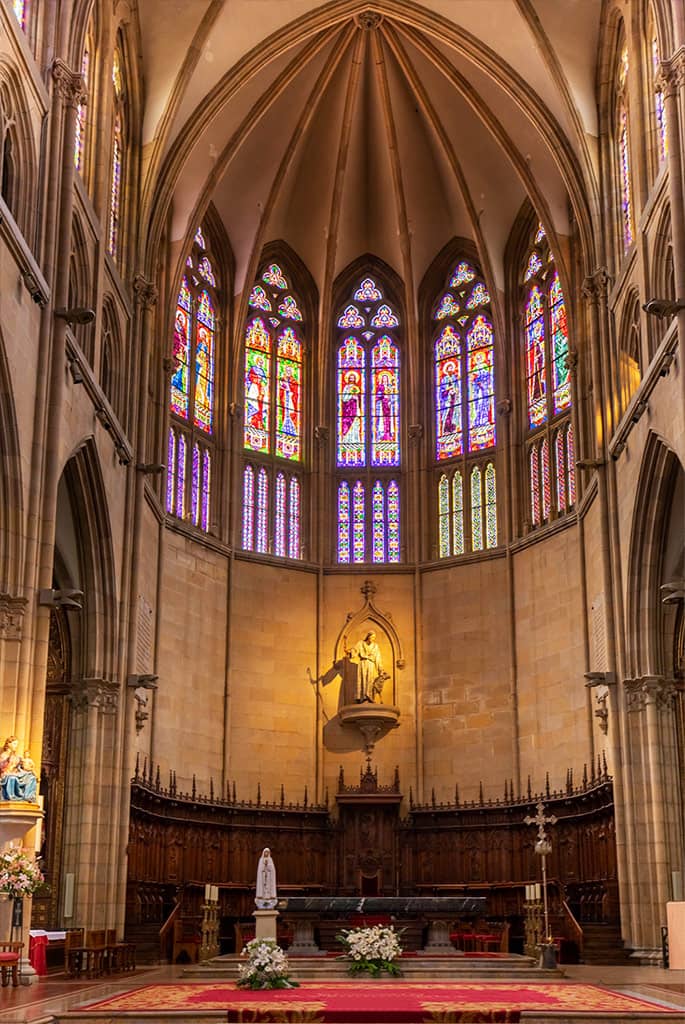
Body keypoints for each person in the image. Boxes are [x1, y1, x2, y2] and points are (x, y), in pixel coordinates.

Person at [348, 631, 389, 703]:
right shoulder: (360, 643)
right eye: (372, 637)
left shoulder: (375, 646)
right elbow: (354, 651)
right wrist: (350, 652)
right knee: (362, 679)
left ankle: (369, 697)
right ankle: (361, 697)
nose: (373, 639)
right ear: (368, 636)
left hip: (370, 664)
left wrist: (380, 670)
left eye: (374, 638)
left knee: (370, 680)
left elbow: (378, 658)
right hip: (362, 663)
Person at [0, 736, 38, 802]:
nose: (16, 746)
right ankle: (11, 797)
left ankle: (28, 797)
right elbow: (1, 767)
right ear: (9, 744)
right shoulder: (4, 755)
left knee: (31, 777)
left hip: (16, 774)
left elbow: (23, 766)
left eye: (17, 744)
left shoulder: (16, 756)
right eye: (14, 744)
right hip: (6, 775)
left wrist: (31, 770)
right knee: (12, 778)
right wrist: (8, 759)